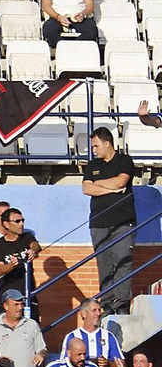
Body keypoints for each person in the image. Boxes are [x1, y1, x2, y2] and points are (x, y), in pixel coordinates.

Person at [83, 127, 138, 314]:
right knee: (104, 264)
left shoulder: (124, 160)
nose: (94, 150)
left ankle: (121, 304)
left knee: (123, 261)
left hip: (123, 221)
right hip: (98, 223)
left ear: (107, 144)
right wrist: (112, 189)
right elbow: (86, 189)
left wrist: (100, 184)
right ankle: (106, 303)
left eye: (96, 146)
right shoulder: (92, 165)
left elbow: (120, 182)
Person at [0, 209, 41, 310]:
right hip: (9, 296)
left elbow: (36, 245)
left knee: (31, 323)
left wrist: (32, 251)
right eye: (17, 221)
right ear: (6, 224)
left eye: (23, 221)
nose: (21, 224)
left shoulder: (27, 237)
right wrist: (11, 265)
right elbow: (0, 269)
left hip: (27, 292)